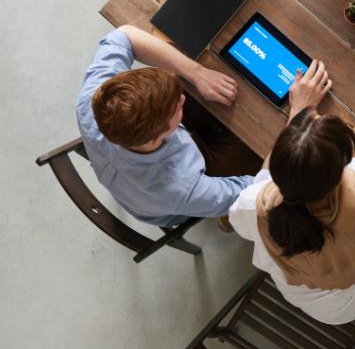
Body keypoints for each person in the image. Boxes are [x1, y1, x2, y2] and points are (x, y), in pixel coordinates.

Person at [229, 0, 355, 324]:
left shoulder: (256, 204)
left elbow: (256, 193)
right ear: (341, 169)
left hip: (314, 303)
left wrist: (296, 113)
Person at [76, 25, 261, 226]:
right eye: (177, 106)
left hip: (139, 173)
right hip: (180, 197)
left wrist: (197, 73)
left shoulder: (95, 100)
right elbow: (256, 193)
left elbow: (125, 35)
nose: (182, 98)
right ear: (157, 137)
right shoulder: (181, 189)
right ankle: (224, 217)